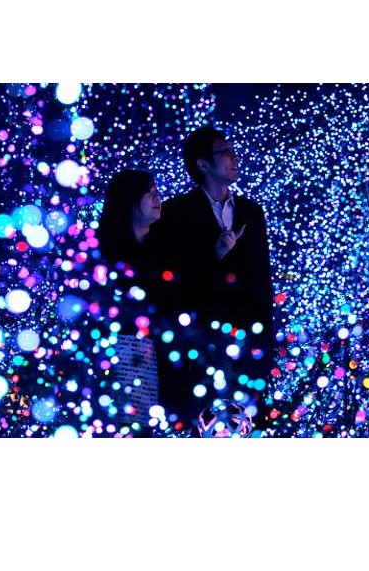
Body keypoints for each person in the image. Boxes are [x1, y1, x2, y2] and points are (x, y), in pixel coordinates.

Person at [149, 125, 274, 432]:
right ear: (203, 164)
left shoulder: (251, 212)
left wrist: (266, 338)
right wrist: (214, 255)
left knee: (244, 421)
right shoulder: (175, 212)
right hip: (199, 340)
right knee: (201, 422)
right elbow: (171, 278)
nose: (235, 157)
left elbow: (262, 278)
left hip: (246, 337)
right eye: (225, 152)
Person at [96, 169, 162, 436]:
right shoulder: (105, 252)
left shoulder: (164, 247)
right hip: (123, 353)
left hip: (159, 353)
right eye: (150, 193)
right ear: (129, 200)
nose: (158, 198)